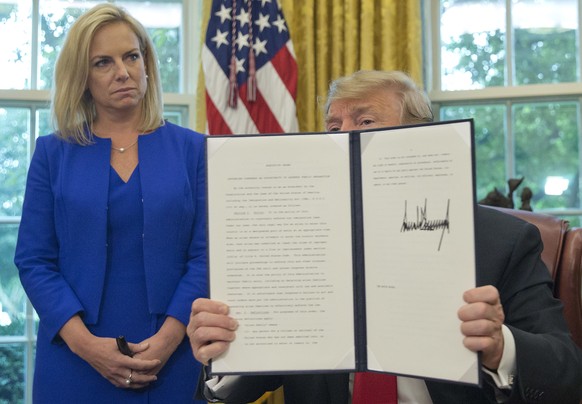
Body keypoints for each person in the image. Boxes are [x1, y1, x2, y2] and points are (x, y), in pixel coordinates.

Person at [187, 70, 582, 403]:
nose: (343, 137)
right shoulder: (295, 238)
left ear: (421, 137)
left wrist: (500, 347)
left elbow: (566, 372)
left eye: (365, 123)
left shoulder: (504, 241)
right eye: (333, 126)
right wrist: (225, 352)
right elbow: (259, 369)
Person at [14, 4, 207, 403]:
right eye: (103, 62)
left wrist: (169, 341)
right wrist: (86, 346)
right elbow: (34, 260)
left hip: (172, 356)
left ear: (147, 64)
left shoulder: (194, 150)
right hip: (73, 358)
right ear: (82, 78)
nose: (123, 71)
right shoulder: (53, 154)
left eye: (131, 56)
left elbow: (207, 256)